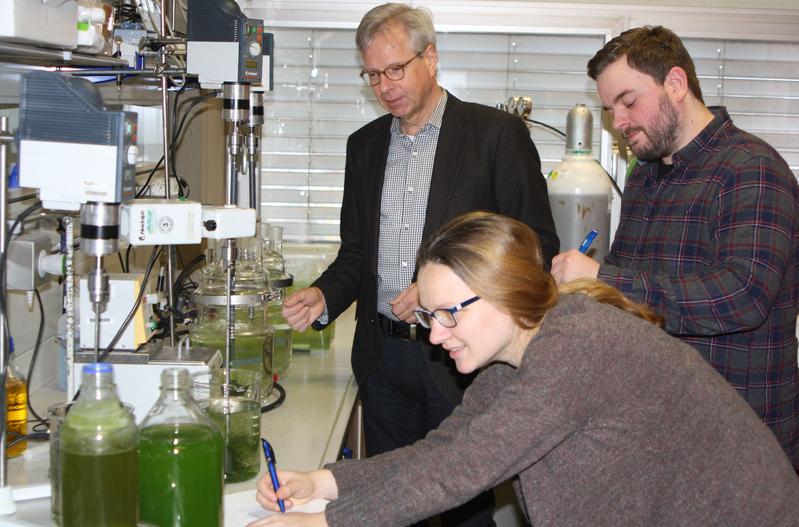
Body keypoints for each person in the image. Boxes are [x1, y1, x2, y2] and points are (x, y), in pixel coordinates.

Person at [251, 211, 799, 527]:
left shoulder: (576, 347)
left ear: (506, 295)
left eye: (446, 314)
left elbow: (459, 472)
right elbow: (444, 452)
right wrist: (324, 482)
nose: (434, 334)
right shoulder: (517, 359)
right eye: (427, 314)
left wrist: (324, 522)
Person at [282, 4, 558, 526]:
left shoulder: (495, 135)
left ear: (430, 58)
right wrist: (323, 296)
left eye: (395, 69)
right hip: (382, 359)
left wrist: (440, 294)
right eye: (372, 74)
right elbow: (356, 256)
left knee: (463, 509)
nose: (384, 86)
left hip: (459, 362)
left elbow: (537, 245)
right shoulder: (363, 146)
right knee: (389, 503)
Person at [551, 25, 799, 468]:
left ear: (676, 84)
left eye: (628, 102)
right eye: (610, 109)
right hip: (662, 427)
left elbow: (742, 297)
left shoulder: (752, 170)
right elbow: (631, 294)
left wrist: (604, 278)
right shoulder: (645, 174)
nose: (618, 122)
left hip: (740, 443)